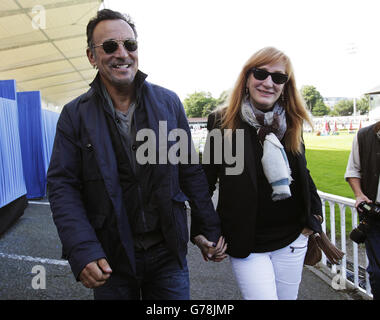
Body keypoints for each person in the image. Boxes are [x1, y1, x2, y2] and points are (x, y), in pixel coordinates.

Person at [47, 9, 226, 300]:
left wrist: (206, 227)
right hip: (110, 258)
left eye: (130, 45)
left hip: (168, 255)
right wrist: (82, 249)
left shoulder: (168, 103)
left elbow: (189, 171)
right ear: (92, 56)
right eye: (109, 46)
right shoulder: (74, 115)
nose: (122, 53)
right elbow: (63, 186)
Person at [202, 47, 323, 300]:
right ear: (247, 78)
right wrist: (206, 231)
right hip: (248, 243)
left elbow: (304, 173)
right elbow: (206, 182)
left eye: (278, 78)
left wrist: (314, 218)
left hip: (293, 239)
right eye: (261, 73)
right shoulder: (222, 122)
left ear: (285, 86)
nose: (269, 83)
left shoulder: (291, 121)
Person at [345, 120, 380, 300]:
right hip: (375, 216)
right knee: (377, 272)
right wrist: (359, 194)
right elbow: (353, 170)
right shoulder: (364, 135)